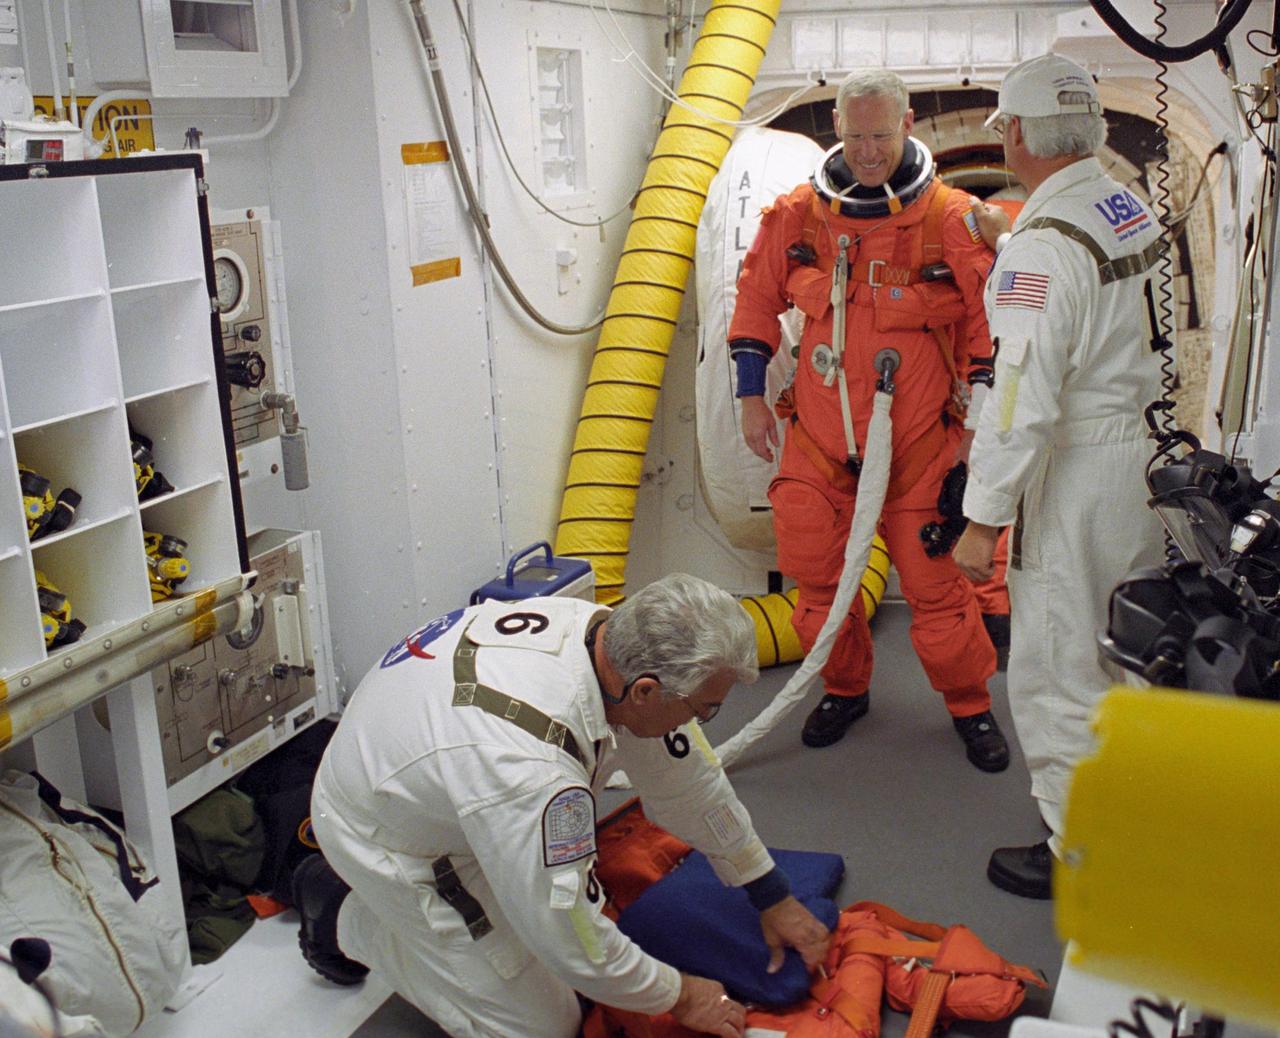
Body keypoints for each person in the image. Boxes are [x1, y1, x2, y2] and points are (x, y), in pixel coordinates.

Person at [295, 574, 831, 1038]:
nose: (703, 720)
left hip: (438, 773)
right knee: (541, 1027)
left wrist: (768, 890)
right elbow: (570, 939)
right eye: (705, 710)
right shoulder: (532, 772)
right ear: (645, 692)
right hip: (396, 839)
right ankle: (340, 913)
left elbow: (689, 783)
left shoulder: (605, 635)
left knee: (537, 910)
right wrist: (681, 994)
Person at [728, 68, 1009, 769]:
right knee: (817, 588)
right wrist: (751, 394)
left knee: (937, 597)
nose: (868, 152)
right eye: (854, 137)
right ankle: (846, 689)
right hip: (822, 439)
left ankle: (970, 706)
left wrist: (976, 432)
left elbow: (985, 331)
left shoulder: (948, 219)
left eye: (881, 135)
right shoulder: (800, 215)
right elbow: (756, 300)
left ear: (909, 123)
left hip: (918, 441)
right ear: (838, 132)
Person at [954, 53, 1166, 899]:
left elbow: (1020, 398)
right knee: (1122, 654)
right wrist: (1008, 235)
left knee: (1055, 667)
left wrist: (983, 518)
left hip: (1076, 471)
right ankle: (1136, 815)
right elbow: (1084, 288)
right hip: (1137, 462)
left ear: (1014, 133)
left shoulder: (1042, 250)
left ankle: (1082, 855)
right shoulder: (1121, 205)